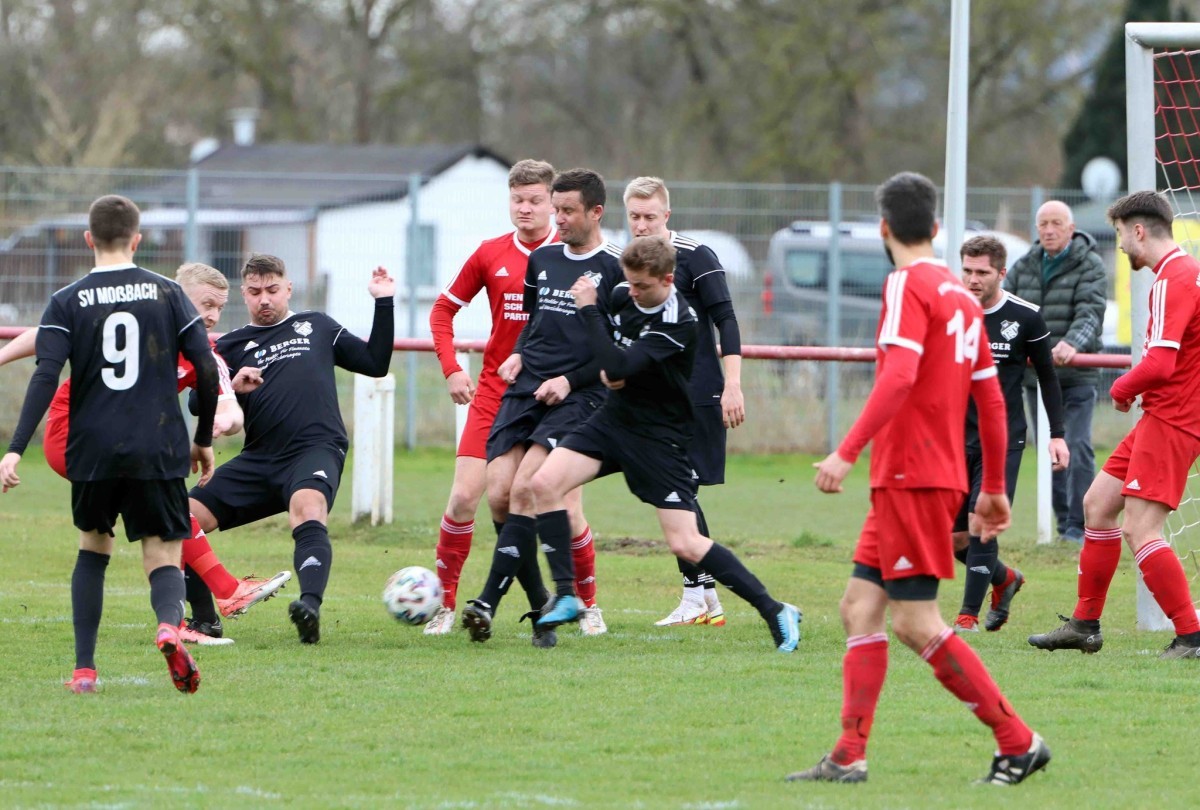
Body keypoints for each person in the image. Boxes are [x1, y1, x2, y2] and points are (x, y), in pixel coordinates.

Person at [791, 173, 1049, 786]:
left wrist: (846, 450)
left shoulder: (906, 283)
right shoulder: (963, 298)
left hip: (911, 475)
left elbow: (900, 375)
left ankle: (1018, 742)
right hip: (921, 478)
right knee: (860, 609)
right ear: (935, 229)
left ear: (884, 229)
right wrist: (990, 490)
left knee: (914, 622)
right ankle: (849, 754)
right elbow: (991, 399)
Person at [525, 235, 800, 650]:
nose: (632, 293)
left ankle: (775, 610)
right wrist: (605, 363)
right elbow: (607, 360)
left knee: (685, 542)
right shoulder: (621, 293)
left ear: (668, 279)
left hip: (658, 438)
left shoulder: (680, 321)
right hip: (612, 421)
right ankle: (565, 594)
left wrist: (590, 315)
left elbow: (615, 361)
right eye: (629, 284)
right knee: (543, 485)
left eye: (642, 287)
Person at [0, 264, 293, 646]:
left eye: (219, 308)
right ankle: (219, 596)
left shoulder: (201, 351)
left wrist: (223, 423)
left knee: (168, 516)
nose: (212, 315)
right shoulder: (135, 319)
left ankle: (198, 618)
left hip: (121, 440)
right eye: (206, 303)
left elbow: (228, 404)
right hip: (71, 433)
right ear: (177, 295)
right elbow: (47, 335)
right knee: (162, 513)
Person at [0, 194, 219, 694]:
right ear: (137, 239)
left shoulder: (67, 300)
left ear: (88, 239)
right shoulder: (167, 293)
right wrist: (202, 438)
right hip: (157, 443)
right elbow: (205, 366)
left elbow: (45, 375)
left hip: (93, 448)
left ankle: (84, 671)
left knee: (92, 551)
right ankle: (168, 624)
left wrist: (15, 447)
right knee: (163, 553)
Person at [425, 159, 599, 636]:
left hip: (559, 396)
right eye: (516, 200)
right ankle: (445, 604)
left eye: (535, 200)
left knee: (563, 506)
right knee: (469, 497)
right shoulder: (489, 254)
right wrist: (452, 368)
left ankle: (586, 603)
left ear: (555, 203)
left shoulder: (574, 257)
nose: (525, 209)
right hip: (496, 395)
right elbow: (442, 311)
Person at [187, 253, 394, 644]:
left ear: (288, 289)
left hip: (315, 448)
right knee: (178, 518)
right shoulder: (229, 346)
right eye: (254, 292)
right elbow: (198, 403)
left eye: (272, 290)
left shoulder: (317, 326)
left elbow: (375, 362)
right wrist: (230, 380)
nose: (264, 299)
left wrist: (383, 301)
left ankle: (309, 607)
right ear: (244, 295)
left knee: (308, 506)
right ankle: (203, 621)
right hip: (259, 458)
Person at [1029, 190, 1200, 659]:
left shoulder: (1173, 278)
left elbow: (1162, 363)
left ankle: (1191, 635)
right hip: (1164, 416)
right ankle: (1084, 625)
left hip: (1174, 419)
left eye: (1122, 235)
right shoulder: (1180, 272)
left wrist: (1122, 388)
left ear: (1138, 230)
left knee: (1141, 529)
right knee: (1098, 504)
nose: (1121, 245)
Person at [460, 168, 623, 647]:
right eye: (556, 209)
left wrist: (568, 380)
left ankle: (486, 601)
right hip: (527, 389)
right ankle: (540, 609)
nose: (559, 219)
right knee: (498, 495)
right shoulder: (544, 259)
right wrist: (517, 353)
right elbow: (534, 321)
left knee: (529, 489)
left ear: (596, 212)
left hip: (580, 396)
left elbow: (617, 355)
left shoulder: (614, 268)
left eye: (568, 210)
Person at [621, 176, 745, 628]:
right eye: (634, 216)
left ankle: (699, 597)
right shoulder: (628, 262)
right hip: (655, 400)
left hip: (698, 395)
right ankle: (705, 599)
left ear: (666, 215)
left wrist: (732, 384)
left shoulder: (695, 256)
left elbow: (727, 320)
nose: (641, 224)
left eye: (650, 216)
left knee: (680, 493)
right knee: (674, 493)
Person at [952, 236, 1068, 632]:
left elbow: (1048, 378)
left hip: (1002, 439)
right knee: (954, 540)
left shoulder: (1026, 317)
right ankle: (1004, 579)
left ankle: (966, 618)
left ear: (1001, 273)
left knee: (982, 524)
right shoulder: (947, 311)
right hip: (952, 439)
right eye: (966, 270)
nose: (972, 279)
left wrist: (1057, 434)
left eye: (981, 272)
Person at [1005, 200, 1106, 543]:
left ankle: (1080, 525)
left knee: (1076, 446)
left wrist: (1072, 344)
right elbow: (1007, 307)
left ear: (1071, 228)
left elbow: (1091, 312)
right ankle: (1064, 526)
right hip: (1038, 380)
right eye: (1043, 224)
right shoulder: (1024, 266)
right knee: (1051, 451)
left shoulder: (1089, 264)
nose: (1048, 230)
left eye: (1056, 224)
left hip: (1076, 377)